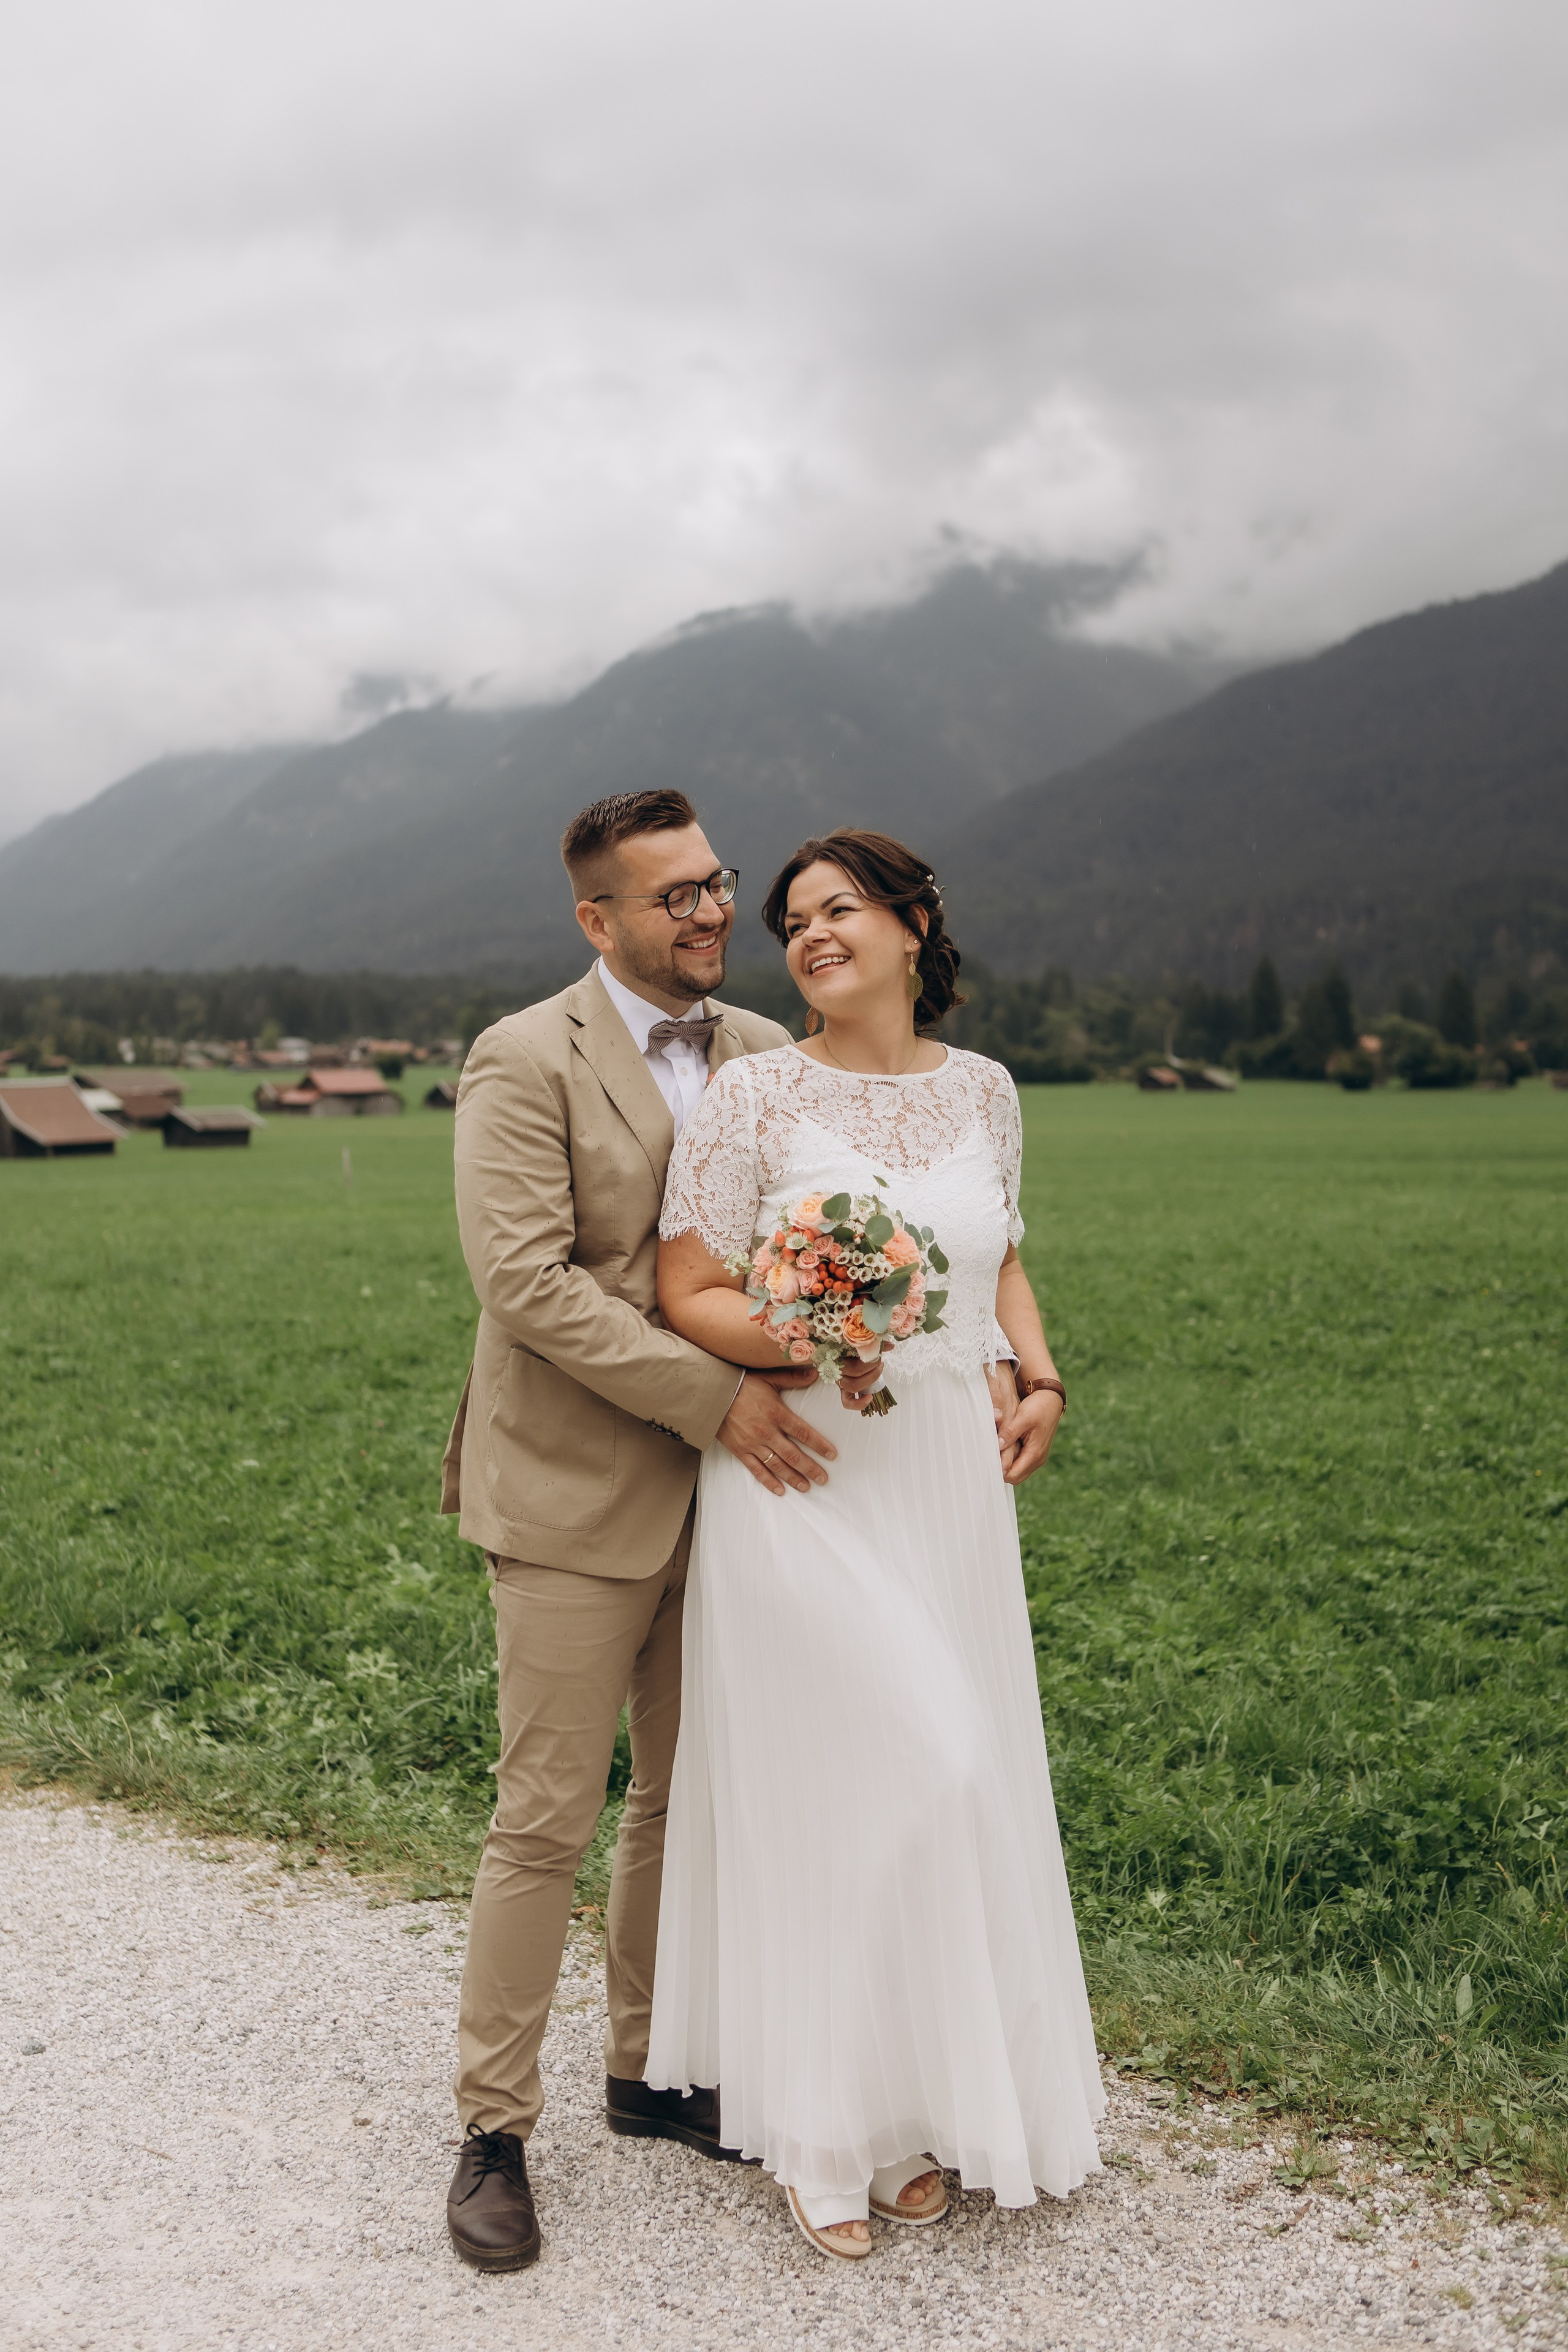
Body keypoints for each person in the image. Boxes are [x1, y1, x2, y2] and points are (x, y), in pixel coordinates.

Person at [646, 827, 1106, 2257]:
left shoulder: (986, 1089)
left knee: (933, 1797)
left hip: (946, 1485)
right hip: (805, 1472)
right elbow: (686, 1284)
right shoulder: (750, 1095)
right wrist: (798, 1338)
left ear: (915, 929)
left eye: (839, 910)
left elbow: (1001, 1253)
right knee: (892, 1766)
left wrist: (1033, 1376)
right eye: (791, 919)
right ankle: (819, 2129)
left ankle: (900, 2107)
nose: (807, 935)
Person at [439, 790, 883, 2271]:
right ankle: (493, 2124)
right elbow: (529, 1283)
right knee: (543, 1819)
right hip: (572, 1492)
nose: (709, 913)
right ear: (598, 921)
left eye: (715, 884)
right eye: (673, 896)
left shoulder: (766, 1053)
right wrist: (714, 1397)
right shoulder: (520, 1058)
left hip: (742, 1505)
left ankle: (649, 2069)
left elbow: (830, 1239)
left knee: (684, 1807)